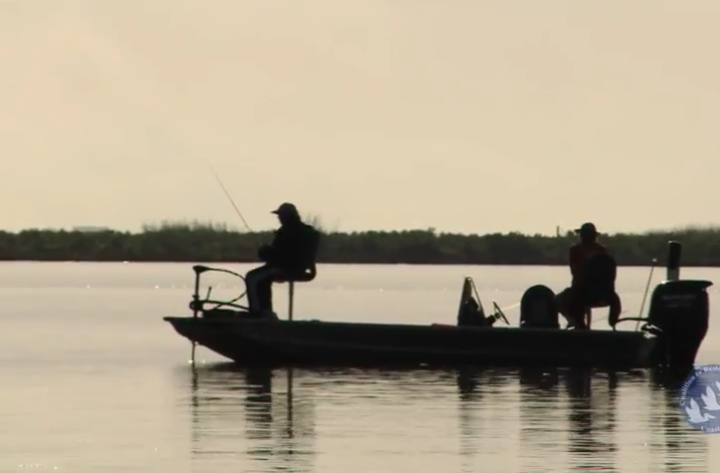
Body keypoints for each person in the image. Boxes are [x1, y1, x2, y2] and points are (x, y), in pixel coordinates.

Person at [245, 202, 320, 318]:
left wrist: (263, 251)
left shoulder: (288, 232)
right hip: (297, 268)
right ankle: (266, 312)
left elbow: (279, 255)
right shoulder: (304, 230)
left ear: (287, 216)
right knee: (263, 278)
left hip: (286, 268)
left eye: (280, 215)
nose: (279, 218)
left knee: (252, 277)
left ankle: (257, 313)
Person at [556, 222, 617, 329]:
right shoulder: (575, 250)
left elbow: (608, 273)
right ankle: (573, 320)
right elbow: (575, 271)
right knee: (559, 299)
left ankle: (577, 322)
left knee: (559, 299)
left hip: (593, 289)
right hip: (581, 287)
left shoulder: (600, 251)